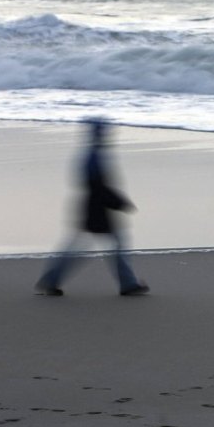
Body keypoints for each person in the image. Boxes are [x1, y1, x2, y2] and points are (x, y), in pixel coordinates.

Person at [35, 119, 149, 297]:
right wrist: (119, 202)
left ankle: (51, 280)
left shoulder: (89, 154)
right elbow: (98, 187)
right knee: (112, 245)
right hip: (98, 208)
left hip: (91, 206)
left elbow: (93, 186)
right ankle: (128, 284)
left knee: (80, 247)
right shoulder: (95, 156)